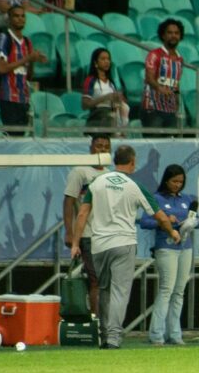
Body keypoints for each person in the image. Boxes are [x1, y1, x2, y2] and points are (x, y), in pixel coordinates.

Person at [70, 145, 180, 349]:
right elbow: (160, 216)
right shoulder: (134, 185)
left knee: (104, 289)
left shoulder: (96, 183)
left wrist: (76, 243)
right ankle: (113, 338)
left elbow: (83, 213)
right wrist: (172, 232)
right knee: (119, 291)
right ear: (133, 162)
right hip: (124, 243)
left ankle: (104, 335)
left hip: (99, 245)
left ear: (114, 160)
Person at [139, 164, 199, 346]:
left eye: (180, 182)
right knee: (166, 289)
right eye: (174, 181)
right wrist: (164, 221)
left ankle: (174, 334)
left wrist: (191, 222)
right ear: (166, 180)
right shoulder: (156, 198)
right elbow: (145, 222)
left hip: (185, 247)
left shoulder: (187, 199)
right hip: (166, 247)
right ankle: (156, 334)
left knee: (179, 291)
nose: (177, 185)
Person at [63, 134, 111, 316]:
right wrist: (69, 232)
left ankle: (106, 319)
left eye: (106, 146)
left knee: (106, 280)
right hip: (87, 234)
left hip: (106, 235)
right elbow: (68, 202)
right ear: (91, 148)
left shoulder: (110, 174)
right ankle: (98, 321)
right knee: (96, 279)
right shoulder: (80, 172)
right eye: (99, 145)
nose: (102, 149)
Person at [0, 5, 47, 135]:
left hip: (23, 98)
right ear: (9, 19)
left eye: (23, 16)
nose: (20, 19)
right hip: (8, 98)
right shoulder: (4, 38)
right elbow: (1, 68)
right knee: (12, 137)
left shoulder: (28, 42)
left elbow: (29, 75)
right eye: (16, 16)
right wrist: (28, 58)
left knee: (20, 138)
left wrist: (34, 60)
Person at [141, 18, 183, 137]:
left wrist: (177, 99)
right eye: (170, 33)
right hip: (153, 108)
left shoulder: (180, 59)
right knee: (153, 144)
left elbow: (176, 82)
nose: (173, 36)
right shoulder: (154, 54)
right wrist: (160, 88)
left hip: (171, 109)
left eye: (176, 33)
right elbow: (149, 78)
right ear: (163, 35)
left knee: (171, 143)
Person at [82, 47, 127, 132]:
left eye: (108, 59)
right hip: (98, 117)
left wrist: (119, 99)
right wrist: (105, 97)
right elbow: (85, 105)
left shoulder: (111, 82)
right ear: (95, 63)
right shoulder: (90, 80)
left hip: (112, 115)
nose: (107, 61)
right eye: (103, 59)